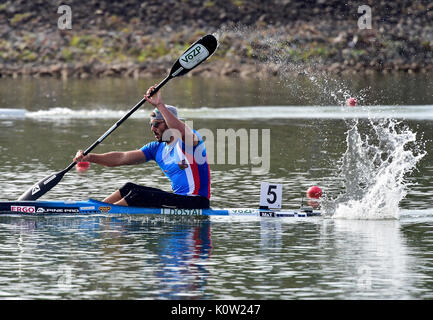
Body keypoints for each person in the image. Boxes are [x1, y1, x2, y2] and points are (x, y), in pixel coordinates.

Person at [73, 85, 211, 209]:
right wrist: (89, 157)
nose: (152, 129)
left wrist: (160, 105)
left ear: (169, 123)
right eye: (150, 125)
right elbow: (121, 158)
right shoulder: (156, 148)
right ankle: (96, 209)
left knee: (138, 195)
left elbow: (180, 129)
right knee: (128, 188)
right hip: (180, 200)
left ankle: (101, 214)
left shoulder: (190, 141)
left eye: (157, 124)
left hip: (196, 202)